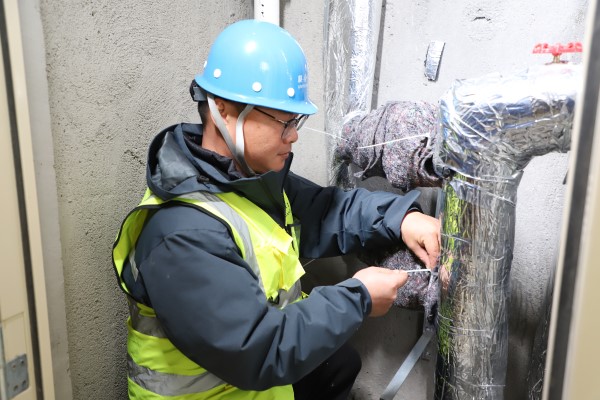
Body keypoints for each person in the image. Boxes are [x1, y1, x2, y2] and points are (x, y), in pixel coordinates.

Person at [112, 19, 440, 400]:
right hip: (225, 388)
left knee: (338, 364)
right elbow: (257, 349)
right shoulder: (181, 234)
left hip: (256, 381)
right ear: (223, 110)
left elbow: (326, 210)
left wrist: (402, 219)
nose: (294, 134)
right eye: (283, 121)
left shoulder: (246, 181)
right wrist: (359, 298)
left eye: (295, 121)